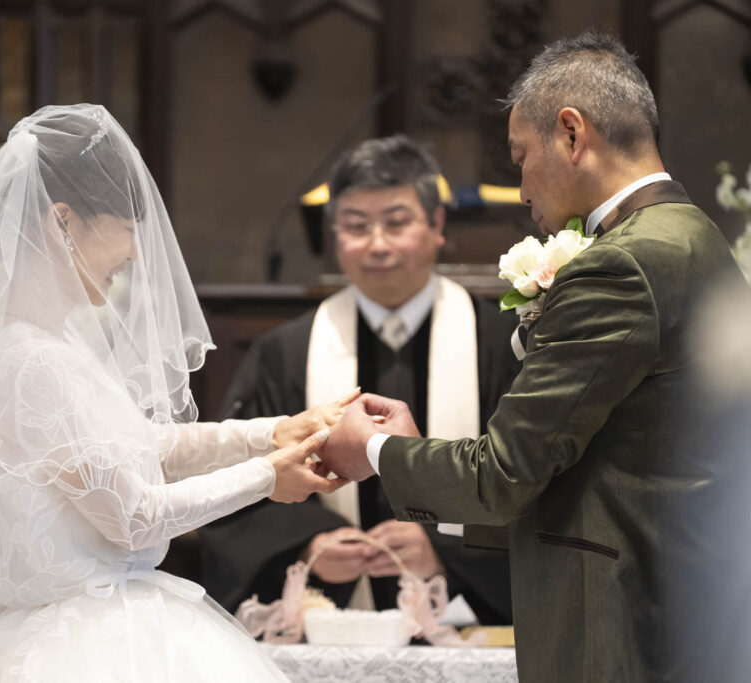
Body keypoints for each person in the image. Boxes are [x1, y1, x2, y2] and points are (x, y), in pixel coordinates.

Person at [0, 104, 350, 682]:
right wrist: (267, 478)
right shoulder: (29, 362)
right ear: (63, 223)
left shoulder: (53, 345)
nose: (136, 253)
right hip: (85, 644)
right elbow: (133, 518)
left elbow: (141, 444)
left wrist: (271, 433)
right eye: (127, 229)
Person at [319, 31, 748, 682]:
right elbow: (613, 469)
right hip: (681, 603)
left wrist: (373, 451)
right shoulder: (692, 233)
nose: (520, 189)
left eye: (520, 157)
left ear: (572, 134)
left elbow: (502, 475)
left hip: (628, 626)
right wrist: (415, 450)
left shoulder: (622, 265)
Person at [201, 135, 518, 624]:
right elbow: (235, 488)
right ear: (334, 234)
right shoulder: (285, 354)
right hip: (325, 624)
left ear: (436, 225)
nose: (377, 244)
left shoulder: (500, 343)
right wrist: (309, 545)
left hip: (473, 625)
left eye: (397, 222)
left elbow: (532, 479)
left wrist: (451, 551)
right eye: (356, 226)